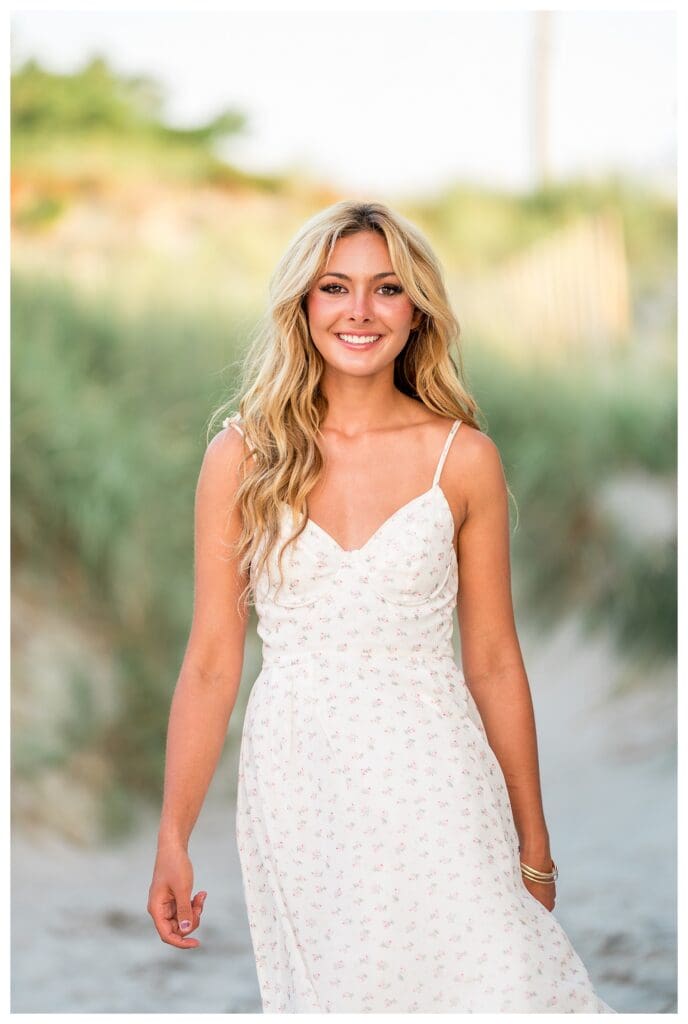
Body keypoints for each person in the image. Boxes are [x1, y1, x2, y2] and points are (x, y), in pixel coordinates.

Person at [148, 200, 616, 1012]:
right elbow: (213, 660)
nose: (359, 311)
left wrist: (533, 840)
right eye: (335, 287)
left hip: (439, 770)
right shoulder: (242, 456)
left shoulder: (462, 458)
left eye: (387, 289)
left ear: (416, 312)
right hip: (301, 774)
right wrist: (172, 836)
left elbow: (496, 659)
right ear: (303, 304)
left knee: (503, 978)